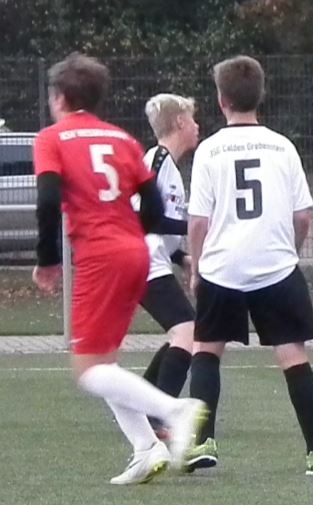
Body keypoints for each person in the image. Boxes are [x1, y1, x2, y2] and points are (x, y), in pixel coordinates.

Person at [31, 53, 206, 485]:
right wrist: (130, 236)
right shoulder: (122, 139)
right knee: (104, 362)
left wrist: (47, 260)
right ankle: (146, 447)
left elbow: (49, 199)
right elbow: (154, 205)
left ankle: (174, 409)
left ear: (59, 98)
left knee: (88, 370)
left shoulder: (52, 138)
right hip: (136, 254)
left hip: (101, 257)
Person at [186, 55, 313, 476]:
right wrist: (291, 252)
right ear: (261, 95)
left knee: (206, 351)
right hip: (276, 266)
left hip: (222, 267)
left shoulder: (209, 149)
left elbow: (198, 221)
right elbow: (303, 216)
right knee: (292, 354)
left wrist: (196, 269)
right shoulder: (282, 146)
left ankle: (203, 441)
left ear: (221, 100)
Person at [134, 94, 200, 438]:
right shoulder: (156, 159)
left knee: (184, 331)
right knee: (187, 331)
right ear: (179, 123)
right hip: (142, 261)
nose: (197, 126)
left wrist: (180, 257)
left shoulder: (169, 166)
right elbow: (144, 218)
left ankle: (142, 404)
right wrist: (199, 225)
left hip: (153, 260)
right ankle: (158, 415)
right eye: (193, 119)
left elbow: (159, 224)